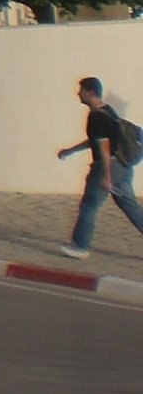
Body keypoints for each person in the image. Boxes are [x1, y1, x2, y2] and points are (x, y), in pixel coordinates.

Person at [57, 76, 143, 259]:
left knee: (89, 206)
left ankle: (80, 247)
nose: (78, 93)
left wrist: (106, 175)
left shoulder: (96, 117)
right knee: (131, 207)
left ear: (91, 93)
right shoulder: (108, 111)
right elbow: (95, 141)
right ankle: (79, 246)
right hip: (124, 166)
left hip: (108, 166)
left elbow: (103, 146)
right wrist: (71, 150)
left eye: (81, 90)